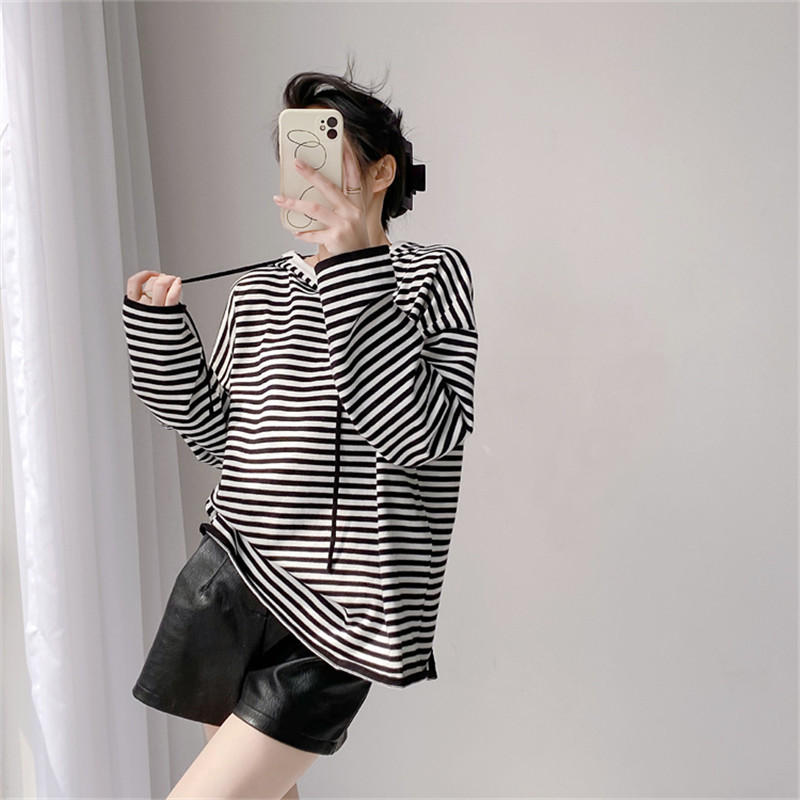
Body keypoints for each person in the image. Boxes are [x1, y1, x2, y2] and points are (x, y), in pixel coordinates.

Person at [122, 60, 478, 800]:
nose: (306, 174)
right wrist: (162, 337)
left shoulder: (431, 276)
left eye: (326, 152)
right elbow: (220, 439)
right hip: (234, 574)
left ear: (381, 171)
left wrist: (353, 273)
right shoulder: (260, 286)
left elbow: (419, 437)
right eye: (295, 155)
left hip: (343, 611)